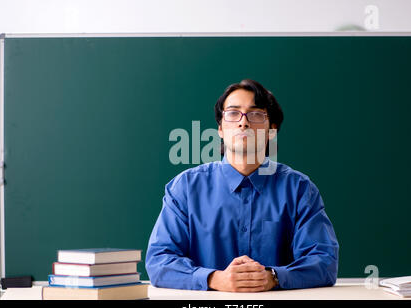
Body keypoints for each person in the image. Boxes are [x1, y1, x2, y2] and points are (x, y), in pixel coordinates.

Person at [145, 79, 339, 292]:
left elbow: (324, 262)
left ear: (271, 130)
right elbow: (158, 261)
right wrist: (214, 279)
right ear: (220, 128)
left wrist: (273, 277)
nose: (243, 123)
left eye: (256, 114)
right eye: (233, 113)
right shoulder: (185, 188)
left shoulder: (299, 189)